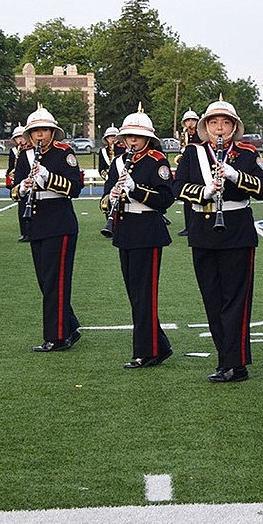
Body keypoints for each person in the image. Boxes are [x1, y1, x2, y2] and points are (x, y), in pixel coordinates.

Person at [174, 100, 263, 382]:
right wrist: (204, 191)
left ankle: (236, 362)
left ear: (234, 127)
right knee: (212, 300)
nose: (220, 128)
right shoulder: (193, 153)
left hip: (237, 230)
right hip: (202, 230)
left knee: (236, 300)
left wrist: (235, 175)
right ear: (206, 126)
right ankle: (224, 358)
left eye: (226, 123)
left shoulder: (246, 153)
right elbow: (177, 187)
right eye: (214, 123)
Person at [101, 108, 174, 369]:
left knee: (145, 294)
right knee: (134, 294)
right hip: (125, 228)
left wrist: (137, 190)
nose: (132, 141)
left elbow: (166, 199)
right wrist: (111, 198)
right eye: (128, 136)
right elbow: (105, 197)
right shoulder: (118, 162)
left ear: (148, 139)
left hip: (148, 229)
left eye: (137, 137)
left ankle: (147, 351)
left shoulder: (157, 161)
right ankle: (159, 345)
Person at [12, 107, 83, 352]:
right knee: (45, 281)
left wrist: (47, 177)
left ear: (52, 132)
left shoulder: (64, 153)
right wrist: (22, 187)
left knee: (56, 281)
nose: (40, 135)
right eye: (35, 131)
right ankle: (70, 326)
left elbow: (75, 188)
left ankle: (58, 336)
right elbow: (14, 189)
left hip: (60, 222)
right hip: (36, 222)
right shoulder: (25, 155)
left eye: (44, 130)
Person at [175, 109, 201, 237]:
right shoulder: (183, 135)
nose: (190, 123)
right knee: (186, 197)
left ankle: (196, 225)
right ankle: (188, 226)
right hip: (186, 167)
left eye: (192, 120)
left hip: (198, 166)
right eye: (188, 121)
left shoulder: (201, 134)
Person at [7, 125, 29, 242]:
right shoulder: (13, 151)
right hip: (19, 182)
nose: (20, 140)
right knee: (21, 207)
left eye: (21, 137)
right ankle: (24, 232)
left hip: (30, 180)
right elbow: (10, 167)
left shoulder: (32, 150)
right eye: (17, 138)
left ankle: (31, 232)